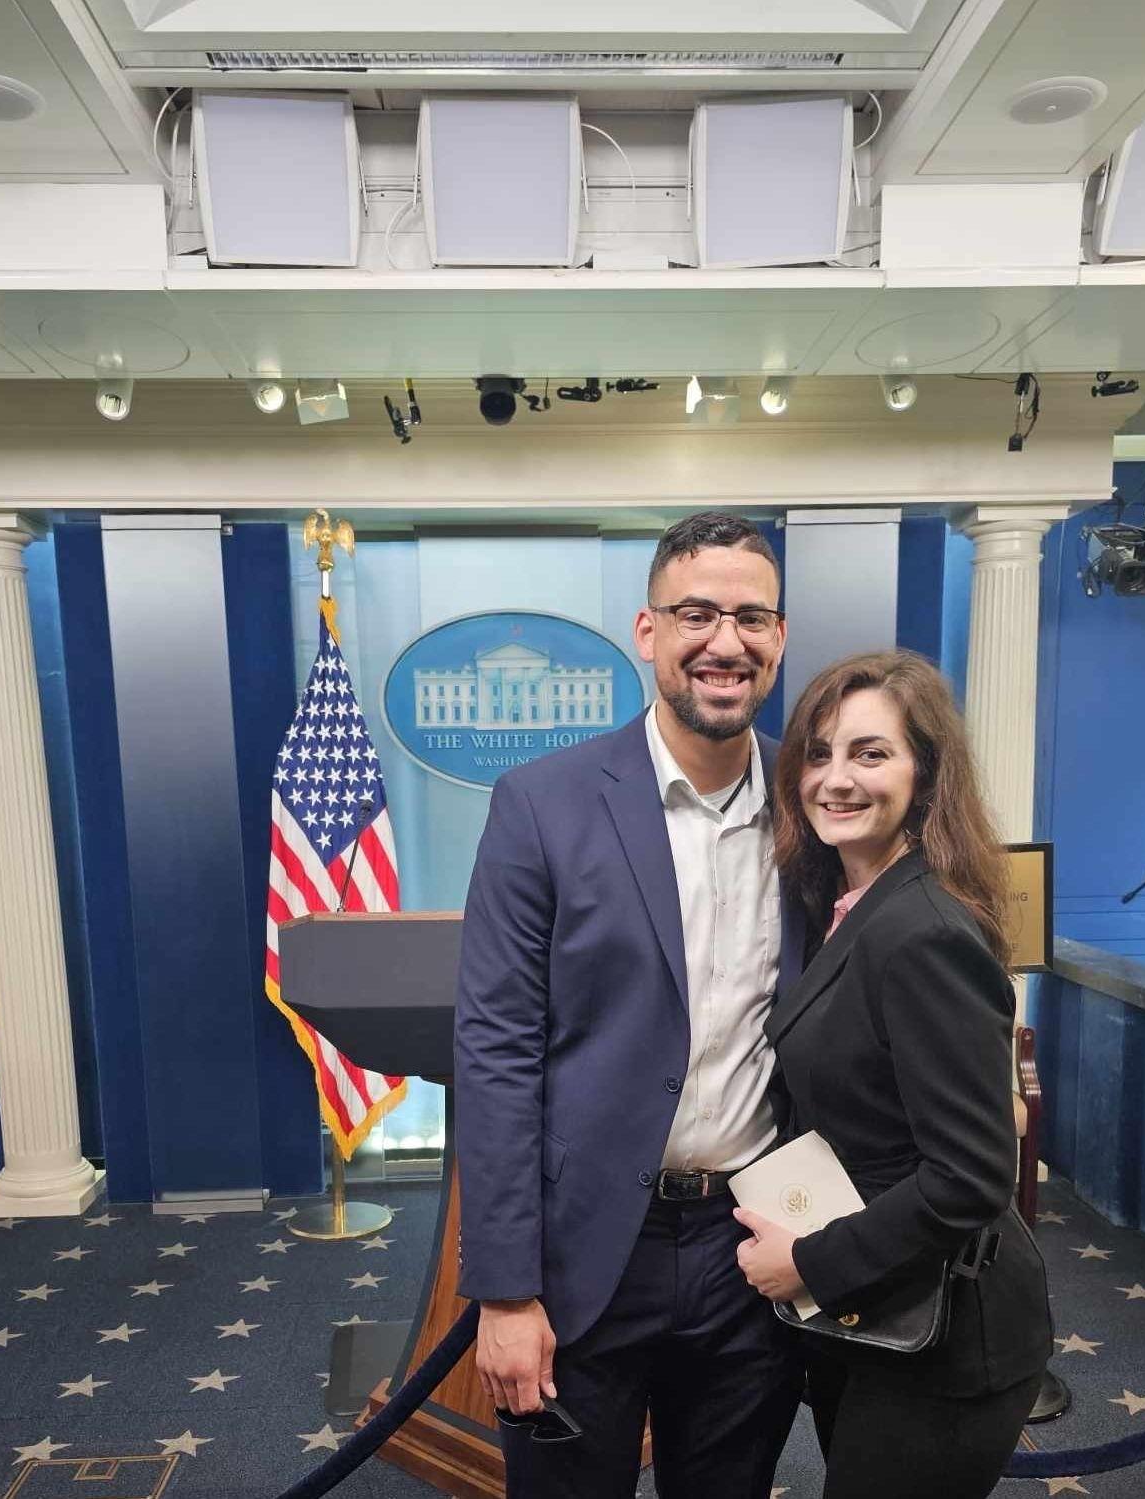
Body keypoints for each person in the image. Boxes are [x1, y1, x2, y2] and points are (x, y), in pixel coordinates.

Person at [455, 511, 806, 1498]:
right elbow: (494, 1050)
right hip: (584, 1251)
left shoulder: (817, 806)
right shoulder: (541, 802)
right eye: (696, 614)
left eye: (750, 617)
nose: (725, 641)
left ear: (779, 636)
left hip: (754, 1245)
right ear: (648, 632)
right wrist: (504, 1291)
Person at [735, 648, 1054, 1499]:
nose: (835, 778)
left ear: (925, 774)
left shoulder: (922, 931)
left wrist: (811, 1262)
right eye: (818, 753)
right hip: (881, 1314)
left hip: (947, 1342)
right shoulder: (844, 907)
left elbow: (971, 1174)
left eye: (869, 753)